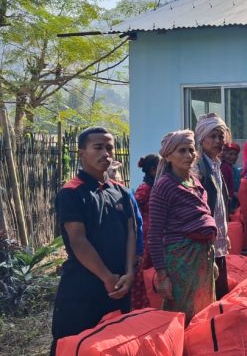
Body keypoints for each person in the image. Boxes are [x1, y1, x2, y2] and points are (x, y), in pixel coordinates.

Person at [50, 128, 136, 355]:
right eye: (98, 147)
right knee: (73, 344)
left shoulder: (121, 192)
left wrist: (129, 273)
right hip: (84, 286)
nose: (106, 153)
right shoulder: (72, 193)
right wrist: (107, 277)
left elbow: (131, 234)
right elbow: (78, 241)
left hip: (120, 284)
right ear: (81, 153)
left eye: (109, 148)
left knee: (112, 344)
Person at [148, 130, 217, 325]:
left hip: (202, 257)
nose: (188, 155)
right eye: (182, 151)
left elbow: (203, 217)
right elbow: (154, 234)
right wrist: (162, 275)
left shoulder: (194, 182)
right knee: (181, 311)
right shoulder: (164, 186)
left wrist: (210, 261)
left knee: (203, 308)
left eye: (191, 150)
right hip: (181, 260)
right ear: (168, 155)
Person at [192, 113, 231, 299]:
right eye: (213, 136)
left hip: (217, 238)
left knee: (220, 289)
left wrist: (225, 234)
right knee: (208, 292)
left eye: (221, 136)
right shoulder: (196, 167)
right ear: (201, 138)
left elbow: (220, 204)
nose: (218, 141)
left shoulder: (215, 164)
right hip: (204, 240)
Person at [130, 154, 161, 310]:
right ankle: (140, 307)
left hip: (153, 236)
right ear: (154, 170)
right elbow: (133, 208)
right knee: (142, 274)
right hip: (145, 238)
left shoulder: (156, 186)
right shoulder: (145, 188)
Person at [220, 142, 241, 210]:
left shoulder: (236, 170)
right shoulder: (223, 168)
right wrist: (233, 194)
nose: (233, 157)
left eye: (236, 154)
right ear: (224, 154)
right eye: (230, 154)